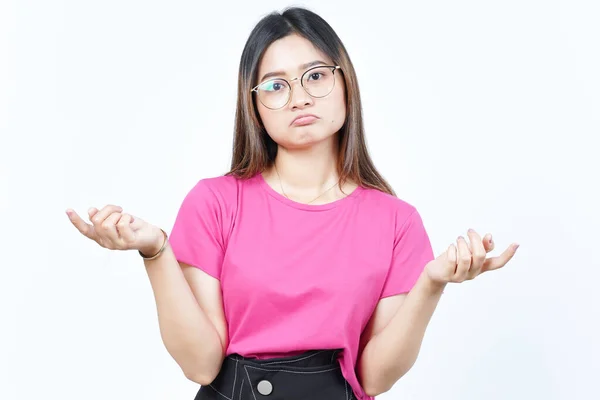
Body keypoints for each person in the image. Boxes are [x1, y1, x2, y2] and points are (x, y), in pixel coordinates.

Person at [66, 6, 519, 400]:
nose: (299, 96)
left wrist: (431, 283)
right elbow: (201, 366)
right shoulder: (215, 202)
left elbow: (375, 377)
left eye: (316, 76)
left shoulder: (396, 221)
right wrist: (155, 251)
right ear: (255, 106)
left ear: (346, 82)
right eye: (276, 86)